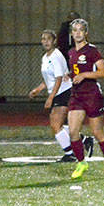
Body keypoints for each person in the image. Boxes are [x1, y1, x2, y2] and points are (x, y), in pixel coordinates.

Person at [66, 18, 104, 180]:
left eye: (81, 30)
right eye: (75, 30)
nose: (78, 33)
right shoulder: (71, 52)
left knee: (97, 131)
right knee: (73, 131)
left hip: (92, 95)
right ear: (72, 34)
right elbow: (75, 70)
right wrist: (70, 75)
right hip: (76, 95)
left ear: (86, 33)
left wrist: (85, 75)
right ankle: (81, 163)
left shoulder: (92, 51)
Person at [28, 29, 76, 161]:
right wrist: (38, 89)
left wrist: (50, 98)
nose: (45, 42)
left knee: (55, 124)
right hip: (58, 92)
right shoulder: (45, 57)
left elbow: (59, 78)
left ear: (54, 41)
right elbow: (48, 78)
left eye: (48, 39)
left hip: (64, 92)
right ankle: (82, 140)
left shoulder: (56, 55)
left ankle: (70, 154)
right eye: (43, 39)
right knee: (60, 125)